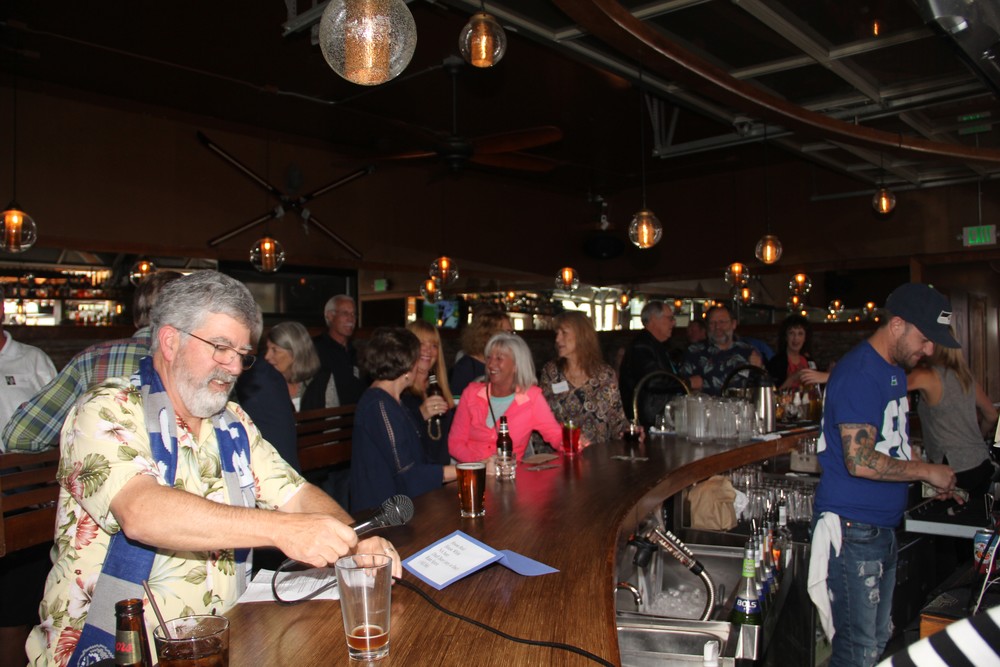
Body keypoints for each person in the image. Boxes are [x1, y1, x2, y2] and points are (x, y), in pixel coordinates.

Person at [25, 271, 400, 665]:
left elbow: (296, 494)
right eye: (221, 347)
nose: (234, 367)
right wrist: (282, 530)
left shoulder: (233, 422)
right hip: (118, 650)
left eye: (242, 354)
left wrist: (354, 541)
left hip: (221, 644)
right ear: (170, 341)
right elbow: (141, 512)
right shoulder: (106, 409)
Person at [808, 282, 961, 667]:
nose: (929, 350)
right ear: (896, 325)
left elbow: (887, 446)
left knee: (873, 644)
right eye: (925, 339)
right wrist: (925, 470)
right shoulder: (860, 372)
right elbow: (859, 460)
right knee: (857, 652)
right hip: (854, 529)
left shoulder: (891, 369)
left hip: (877, 527)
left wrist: (924, 478)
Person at [2, 271, 182, 452]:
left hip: (107, 467)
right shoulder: (196, 359)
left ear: (135, 318)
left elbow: (20, 436)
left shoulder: (92, 359)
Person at [350, 327, 457, 513]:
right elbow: (408, 475)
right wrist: (469, 470)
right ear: (408, 367)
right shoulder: (379, 405)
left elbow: (420, 461)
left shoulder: (393, 402)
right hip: (383, 516)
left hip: (403, 507)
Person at [449, 332, 565, 463]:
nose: (491, 364)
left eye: (499, 359)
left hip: (510, 474)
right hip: (473, 472)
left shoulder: (531, 398)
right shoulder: (471, 393)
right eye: (489, 358)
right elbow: (455, 443)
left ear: (516, 365)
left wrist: (574, 442)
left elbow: (556, 436)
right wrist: (479, 464)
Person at [907, 338, 999, 497]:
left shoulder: (927, 376)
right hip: (980, 463)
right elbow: (991, 415)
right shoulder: (965, 378)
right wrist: (978, 435)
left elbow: (891, 384)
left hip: (953, 468)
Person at [540, 311, 629, 443]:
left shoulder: (605, 375)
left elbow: (617, 422)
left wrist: (632, 433)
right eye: (557, 333)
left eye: (564, 333)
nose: (557, 339)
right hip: (562, 452)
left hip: (598, 453)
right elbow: (541, 419)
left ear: (582, 335)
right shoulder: (551, 373)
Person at [618, 301, 682, 426]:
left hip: (656, 417)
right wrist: (687, 383)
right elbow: (653, 380)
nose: (674, 323)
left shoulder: (654, 344)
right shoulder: (641, 346)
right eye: (670, 318)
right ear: (653, 320)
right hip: (649, 421)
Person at [403, 320, 455, 465]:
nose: (428, 351)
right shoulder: (400, 393)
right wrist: (420, 415)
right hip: (417, 474)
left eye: (434, 346)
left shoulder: (438, 389)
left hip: (442, 472)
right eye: (421, 344)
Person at [680, 304, 763, 395]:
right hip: (706, 403)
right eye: (712, 323)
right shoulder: (694, 352)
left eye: (722, 322)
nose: (717, 327)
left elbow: (762, 387)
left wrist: (757, 369)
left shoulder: (748, 351)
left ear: (733, 324)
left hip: (741, 403)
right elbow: (681, 387)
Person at [265, 321, 334, 411]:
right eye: (267, 349)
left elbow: (333, 418)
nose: (267, 356)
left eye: (274, 350)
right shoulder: (264, 381)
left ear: (296, 352)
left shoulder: (322, 379)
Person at [312, 294, 365, 406]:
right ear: (330, 316)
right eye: (345, 313)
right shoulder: (315, 348)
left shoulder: (357, 351)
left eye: (353, 314)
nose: (351, 319)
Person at [449, 307, 513, 397]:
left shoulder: (508, 363)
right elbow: (457, 401)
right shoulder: (465, 367)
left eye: (511, 333)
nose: (510, 338)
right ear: (487, 335)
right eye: (505, 333)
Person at [766, 314, 829, 390]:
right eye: (791, 333)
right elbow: (773, 393)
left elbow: (818, 389)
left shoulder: (809, 361)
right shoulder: (776, 362)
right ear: (786, 337)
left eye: (800, 334)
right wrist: (793, 378)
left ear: (805, 338)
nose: (796, 338)